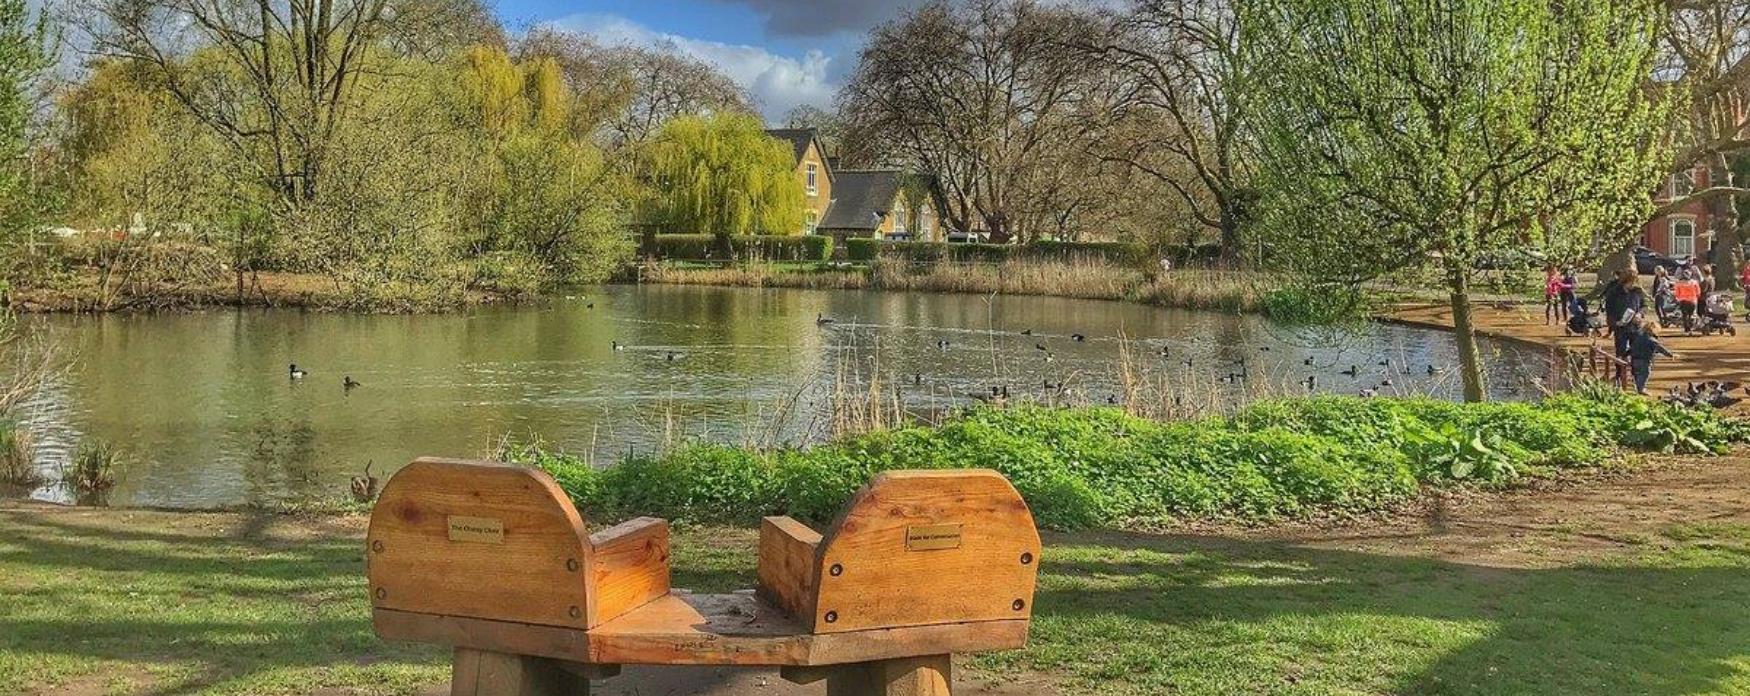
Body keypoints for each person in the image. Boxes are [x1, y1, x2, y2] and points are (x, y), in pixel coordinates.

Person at [1627, 318, 1676, 394]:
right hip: (1644, 360)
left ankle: (1637, 387)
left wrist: (1625, 355)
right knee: (1644, 374)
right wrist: (1670, 355)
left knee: (1636, 374)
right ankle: (1641, 389)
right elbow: (1661, 349)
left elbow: (1632, 348)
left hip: (1634, 359)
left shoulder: (1638, 338)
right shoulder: (1652, 340)